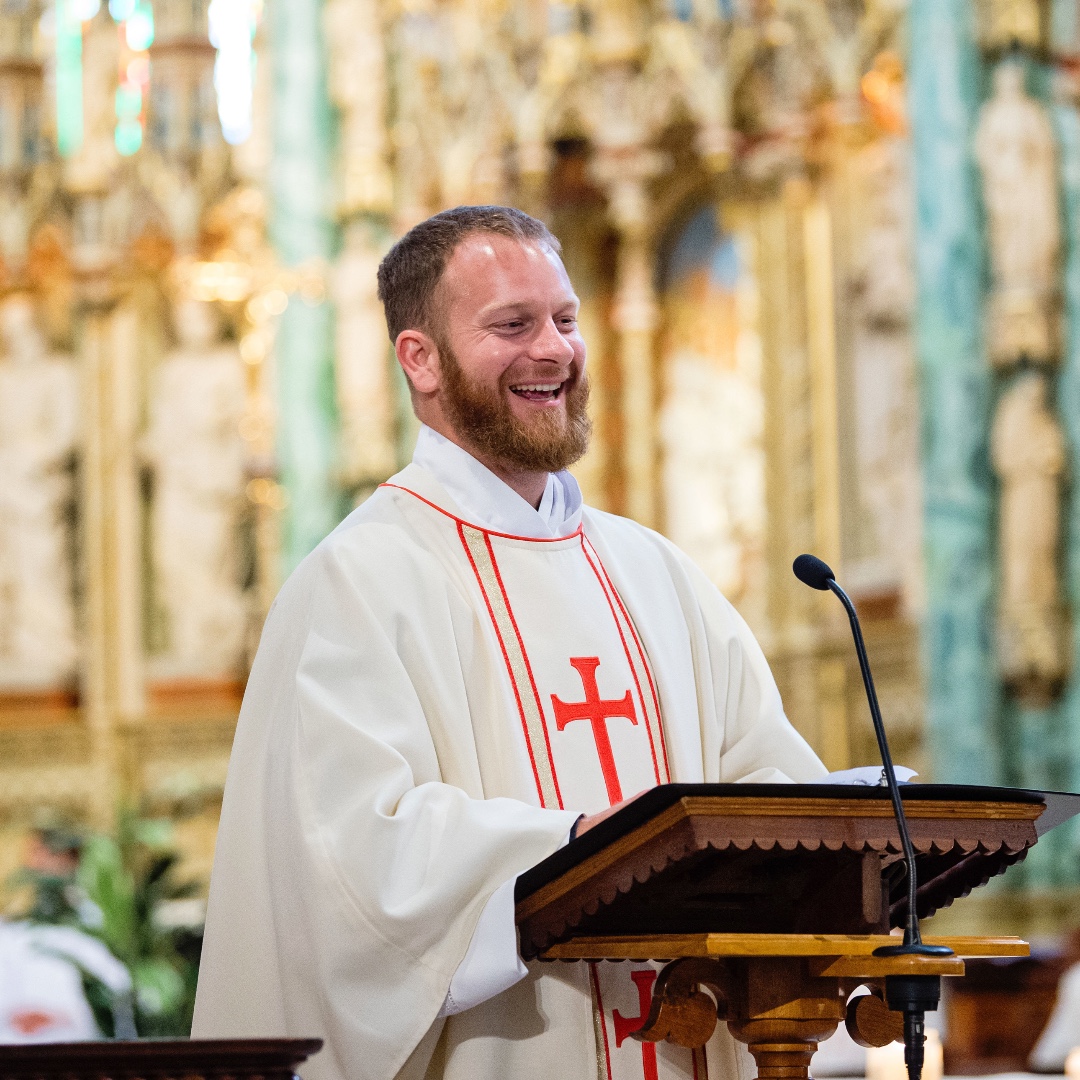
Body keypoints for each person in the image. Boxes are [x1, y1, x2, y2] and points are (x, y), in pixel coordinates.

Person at [192, 206, 826, 1080]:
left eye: (565, 320)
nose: (555, 351)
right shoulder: (359, 582)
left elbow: (770, 785)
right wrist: (583, 845)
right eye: (512, 325)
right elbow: (348, 867)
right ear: (419, 358)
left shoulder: (657, 575)